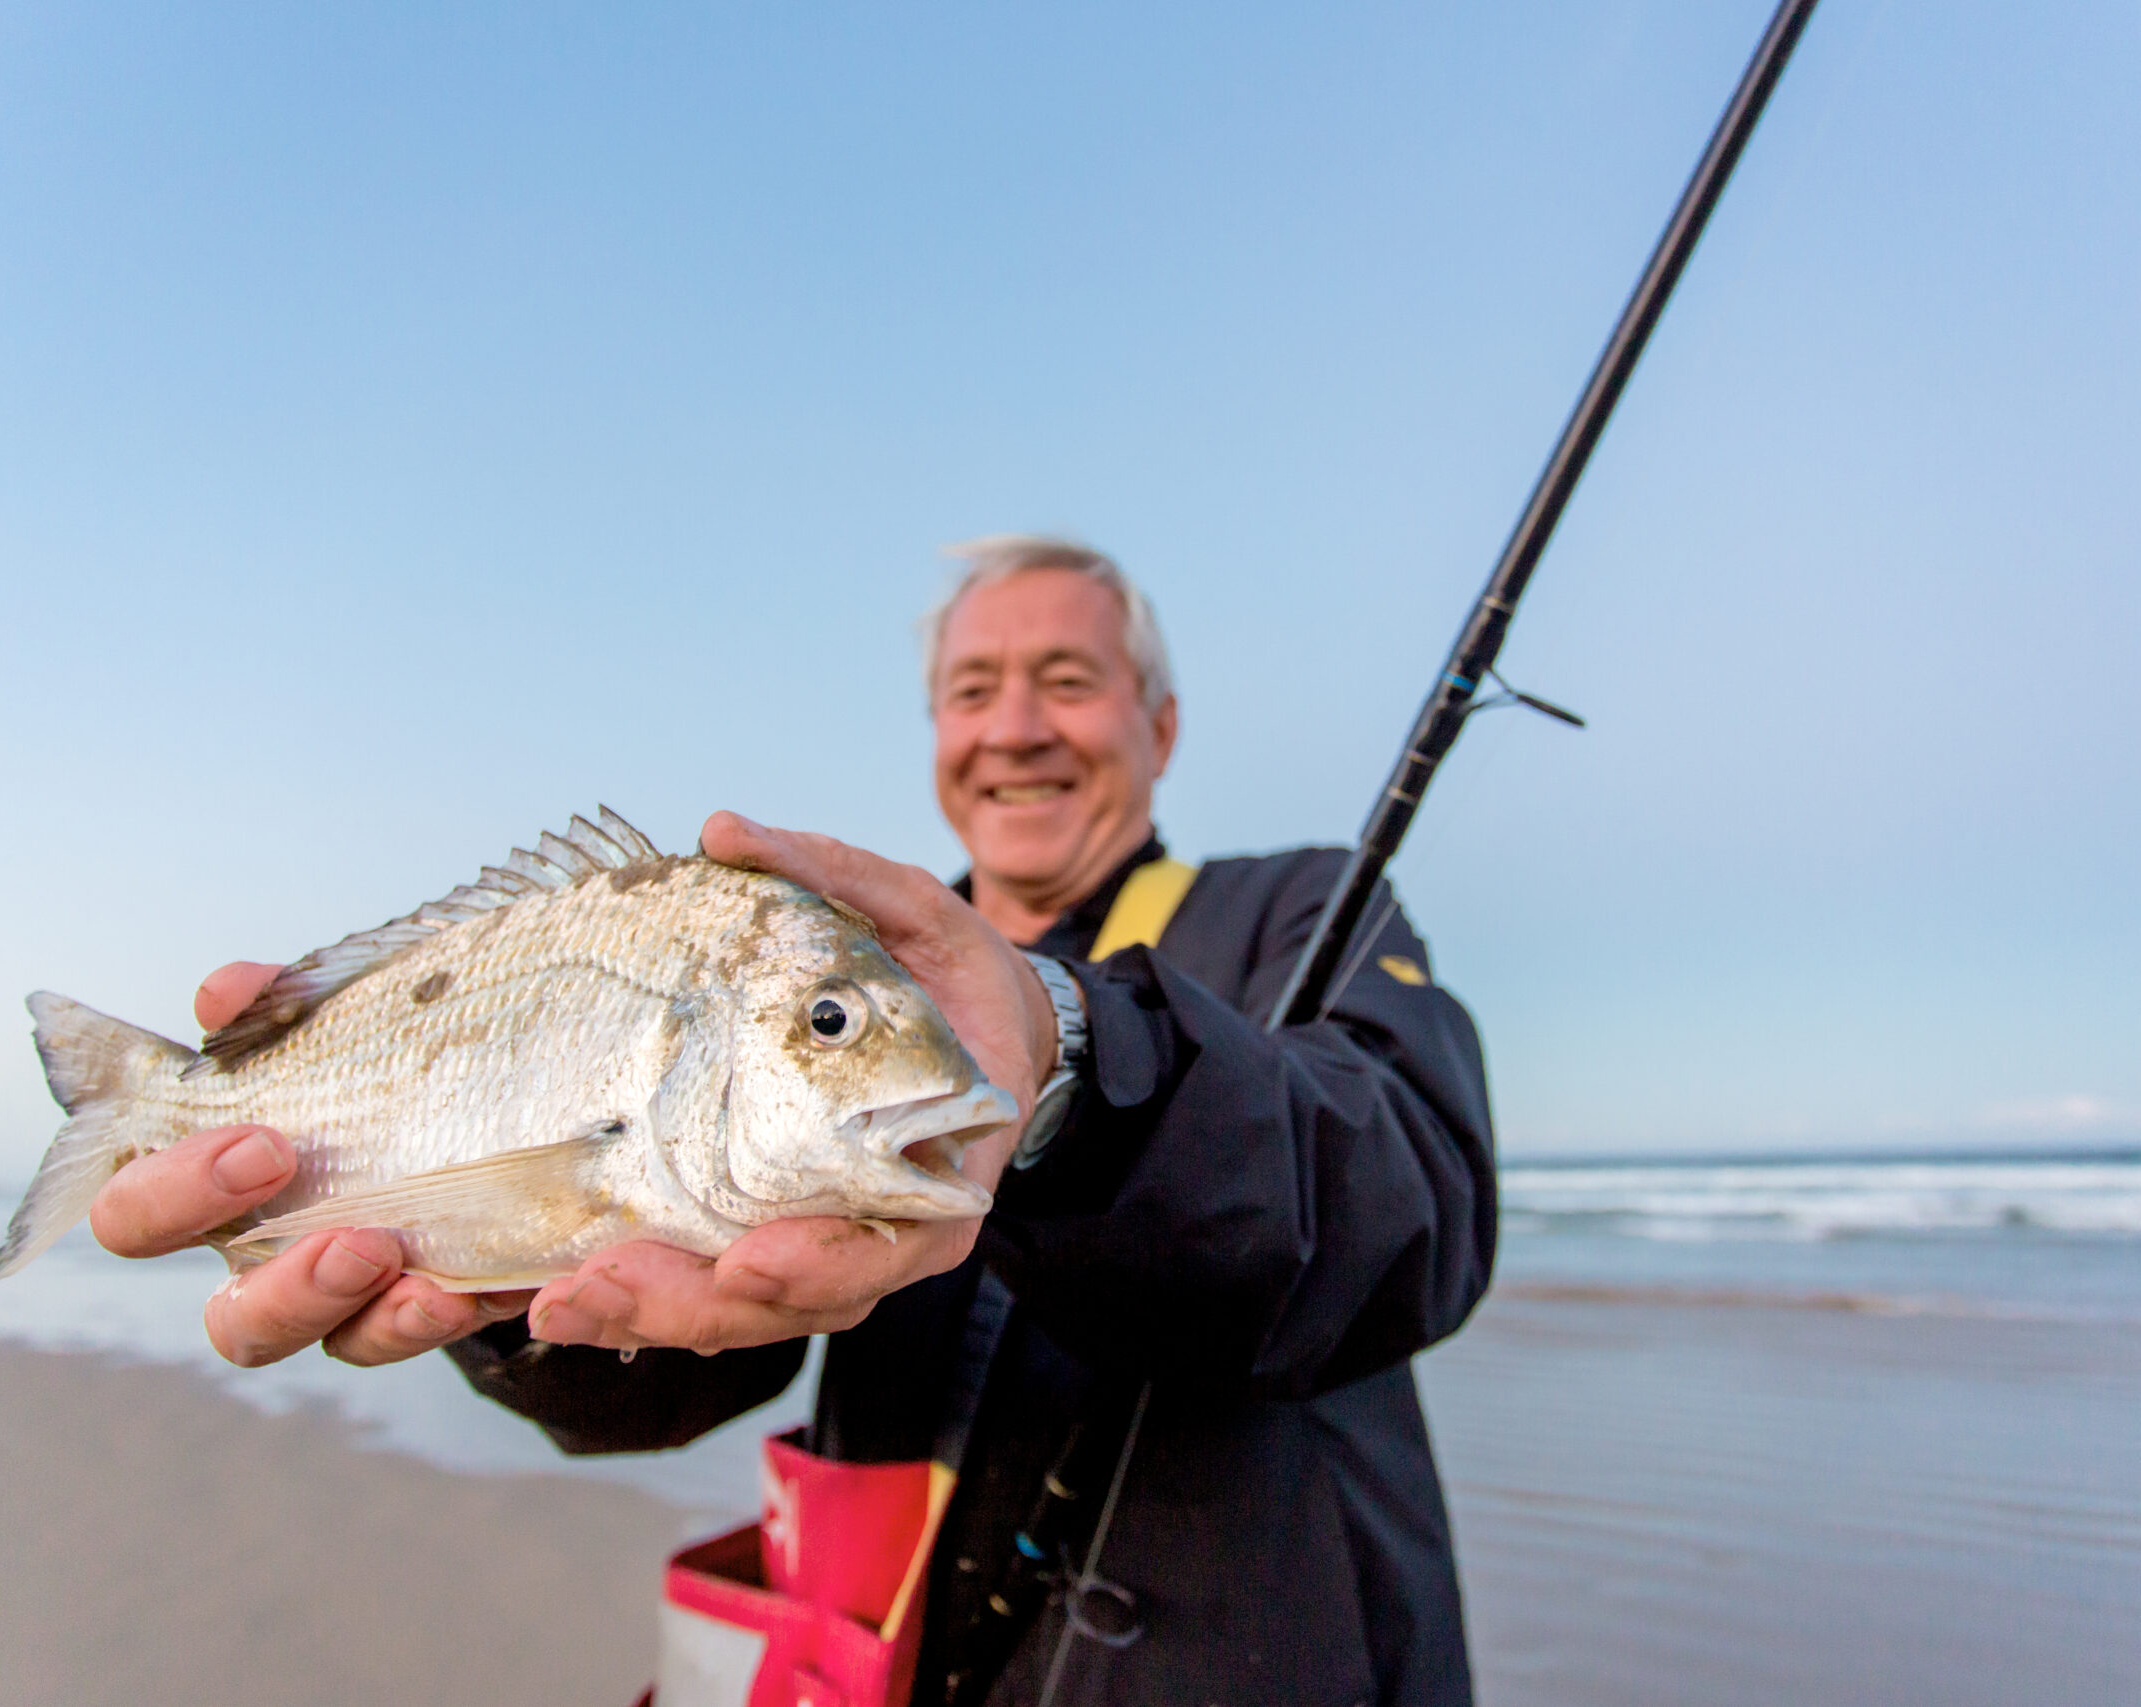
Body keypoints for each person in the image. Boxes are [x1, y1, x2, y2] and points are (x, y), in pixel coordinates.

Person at [91, 536, 1499, 1706]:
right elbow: (695, 1352)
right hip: (878, 1656)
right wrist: (511, 1295)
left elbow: (1409, 1204)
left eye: (1068, 682)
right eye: (974, 690)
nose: (1016, 727)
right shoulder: (810, 953)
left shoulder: (1302, 913)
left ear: (1161, 724)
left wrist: (1071, 1058)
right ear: (939, 731)